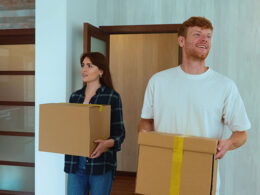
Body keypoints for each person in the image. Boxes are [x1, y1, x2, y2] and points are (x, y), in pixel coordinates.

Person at [138, 16, 251, 194]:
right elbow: (146, 123)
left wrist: (228, 143)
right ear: (181, 41)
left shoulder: (225, 86)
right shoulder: (158, 81)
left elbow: (241, 133)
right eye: (197, 35)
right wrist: (146, 146)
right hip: (162, 174)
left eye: (208, 36)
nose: (204, 40)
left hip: (203, 177)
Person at [64, 52, 125, 195]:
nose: (84, 69)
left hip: (101, 165)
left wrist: (105, 144)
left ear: (101, 71)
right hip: (75, 163)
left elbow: (120, 133)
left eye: (89, 66)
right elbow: (69, 128)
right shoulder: (75, 97)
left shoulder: (112, 96)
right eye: (83, 65)